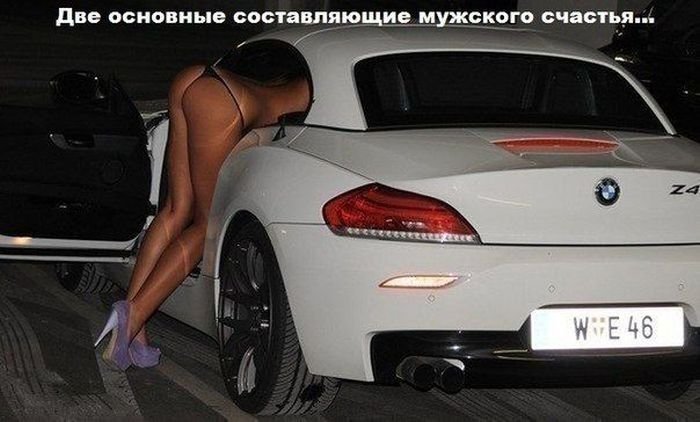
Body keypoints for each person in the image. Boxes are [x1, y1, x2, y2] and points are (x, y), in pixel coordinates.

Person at [93, 56, 311, 370]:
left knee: (175, 209)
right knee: (207, 225)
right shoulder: (325, 88)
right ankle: (134, 315)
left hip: (196, 77)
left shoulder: (293, 70)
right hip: (222, 103)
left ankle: (135, 332)